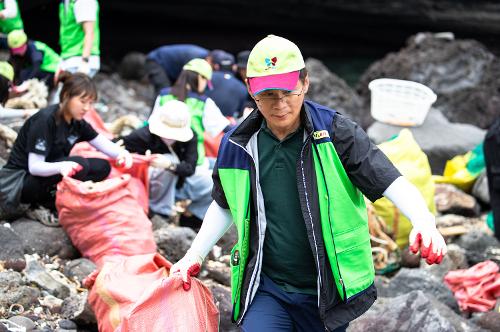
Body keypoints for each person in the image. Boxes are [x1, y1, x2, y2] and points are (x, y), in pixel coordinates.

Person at [171, 35, 447, 331]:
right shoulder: (238, 144)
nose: (280, 105)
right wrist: (193, 255)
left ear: (304, 83)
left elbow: (388, 179)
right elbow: (224, 203)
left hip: (328, 289)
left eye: (288, 92)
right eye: (268, 94)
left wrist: (423, 221)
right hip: (268, 288)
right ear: (251, 90)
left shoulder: (335, 132)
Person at [0, 72, 132, 224]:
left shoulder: (77, 122)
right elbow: (35, 167)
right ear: (66, 96)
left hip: (46, 175)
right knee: (80, 164)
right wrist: (62, 165)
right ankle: (40, 206)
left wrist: (122, 154)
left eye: (90, 103)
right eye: (83, 102)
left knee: (102, 167)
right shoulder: (45, 120)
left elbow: (102, 143)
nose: (87, 108)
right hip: (20, 182)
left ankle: (58, 196)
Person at [120, 100, 212, 221]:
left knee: (215, 181)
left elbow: (190, 168)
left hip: (180, 182)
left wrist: (170, 165)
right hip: (151, 186)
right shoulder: (144, 135)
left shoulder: (190, 138)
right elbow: (119, 146)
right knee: (168, 160)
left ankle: (191, 218)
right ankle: (158, 213)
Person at [153, 58, 229, 168]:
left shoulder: (163, 95)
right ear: (200, 77)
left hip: (161, 159)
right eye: (206, 81)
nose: (205, 86)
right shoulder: (204, 102)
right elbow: (224, 127)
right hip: (194, 163)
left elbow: (151, 122)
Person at [59, 0, 100, 77]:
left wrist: (84, 62)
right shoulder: (66, 2)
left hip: (80, 60)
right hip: (69, 58)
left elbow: (89, 32)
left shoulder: (83, 1)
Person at [205, 49, 248, 119]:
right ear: (234, 67)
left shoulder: (207, 78)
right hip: (227, 125)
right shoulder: (243, 87)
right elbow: (240, 113)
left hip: (204, 121)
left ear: (216, 66)